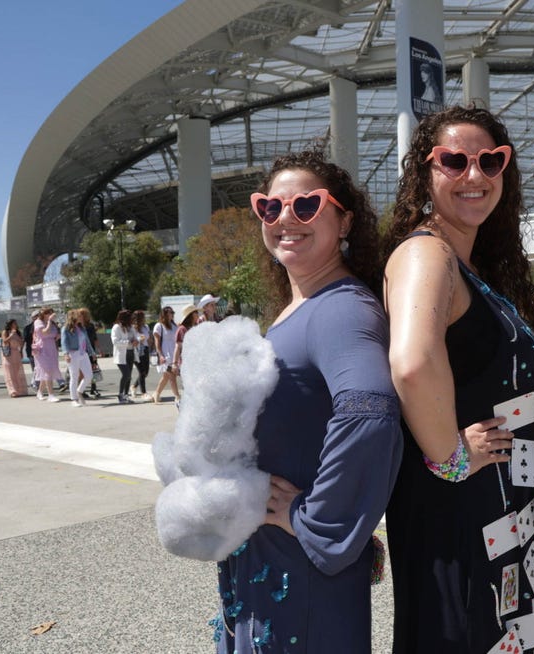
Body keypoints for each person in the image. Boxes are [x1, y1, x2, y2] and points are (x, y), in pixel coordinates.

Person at [383, 106, 534, 652]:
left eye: (490, 161)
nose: (474, 175)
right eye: (454, 161)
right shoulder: (426, 253)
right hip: (464, 510)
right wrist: (452, 457)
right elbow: (412, 364)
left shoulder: (470, 263)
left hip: (503, 504)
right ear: (424, 170)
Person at [212, 149, 402, 653]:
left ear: (345, 220)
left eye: (307, 205)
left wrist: (314, 518)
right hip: (269, 565)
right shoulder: (301, 307)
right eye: (270, 209)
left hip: (300, 574)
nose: (286, 219)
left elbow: (371, 413)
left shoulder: (340, 309)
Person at [61, 309, 96, 407]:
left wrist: (92, 353)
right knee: (74, 377)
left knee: (89, 376)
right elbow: (64, 343)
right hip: (73, 354)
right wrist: (66, 354)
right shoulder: (66, 328)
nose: (81, 317)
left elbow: (87, 341)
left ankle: (79, 391)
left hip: (83, 354)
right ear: (74, 317)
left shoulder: (82, 328)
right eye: (79, 316)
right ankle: (74, 399)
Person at [32, 307, 62, 401]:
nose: (51, 315)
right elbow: (44, 332)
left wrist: (58, 335)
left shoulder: (52, 323)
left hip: (51, 348)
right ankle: (51, 395)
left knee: (48, 371)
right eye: (49, 313)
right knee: (48, 371)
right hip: (42, 349)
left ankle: (40, 392)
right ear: (45, 314)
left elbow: (54, 334)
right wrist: (49, 321)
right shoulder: (38, 322)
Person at [151, 306, 179, 405]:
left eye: (173, 312)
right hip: (165, 355)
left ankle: (156, 394)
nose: (172, 314)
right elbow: (157, 342)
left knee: (166, 377)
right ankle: (177, 397)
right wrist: (161, 355)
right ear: (165, 314)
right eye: (170, 312)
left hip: (173, 354)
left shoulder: (174, 326)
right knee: (172, 376)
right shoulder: (159, 326)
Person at [110, 309, 137, 405]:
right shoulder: (116, 327)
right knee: (126, 375)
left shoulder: (126, 327)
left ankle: (125, 395)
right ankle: (120, 394)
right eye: (130, 318)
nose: (132, 320)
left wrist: (135, 340)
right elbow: (115, 342)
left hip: (129, 353)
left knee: (129, 377)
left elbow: (133, 337)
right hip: (121, 355)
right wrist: (129, 342)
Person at [1, 319, 28, 397]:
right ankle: (12, 390)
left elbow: (21, 343)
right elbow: (5, 341)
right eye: (14, 323)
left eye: (16, 323)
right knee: (9, 373)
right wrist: (11, 335)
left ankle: (20, 390)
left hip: (16, 353)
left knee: (17, 372)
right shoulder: (5, 332)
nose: (15, 325)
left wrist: (21, 350)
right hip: (8, 354)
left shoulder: (18, 332)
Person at [130, 310, 151, 400]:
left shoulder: (146, 327)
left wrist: (152, 346)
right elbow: (131, 340)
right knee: (141, 372)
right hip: (136, 352)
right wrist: (139, 339)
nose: (144, 318)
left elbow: (148, 338)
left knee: (145, 372)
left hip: (145, 350)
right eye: (142, 317)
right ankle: (144, 393)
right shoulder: (132, 328)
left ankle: (134, 386)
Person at [23, 311, 39, 390]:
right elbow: (24, 339)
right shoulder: (28, 328)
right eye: (36, 316)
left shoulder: (43, 326)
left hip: (41, 350)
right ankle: (35, 383)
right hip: (31, 350)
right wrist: (20, 350)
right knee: (35, 367)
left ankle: (36, 382)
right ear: (33, 318)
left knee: (40, 367)